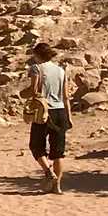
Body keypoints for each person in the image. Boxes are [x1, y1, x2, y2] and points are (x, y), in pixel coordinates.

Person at [27, 40, 72, 192]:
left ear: (38, 55)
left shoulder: (36, 68)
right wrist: (69, 116)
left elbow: (34, 91)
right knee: (58, 152)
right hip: (60, 111)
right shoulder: (61, 71)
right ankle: (57, 187)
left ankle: (48, 172)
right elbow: (65, 96)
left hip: (44, 111)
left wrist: (24, 95)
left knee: (36, 145)